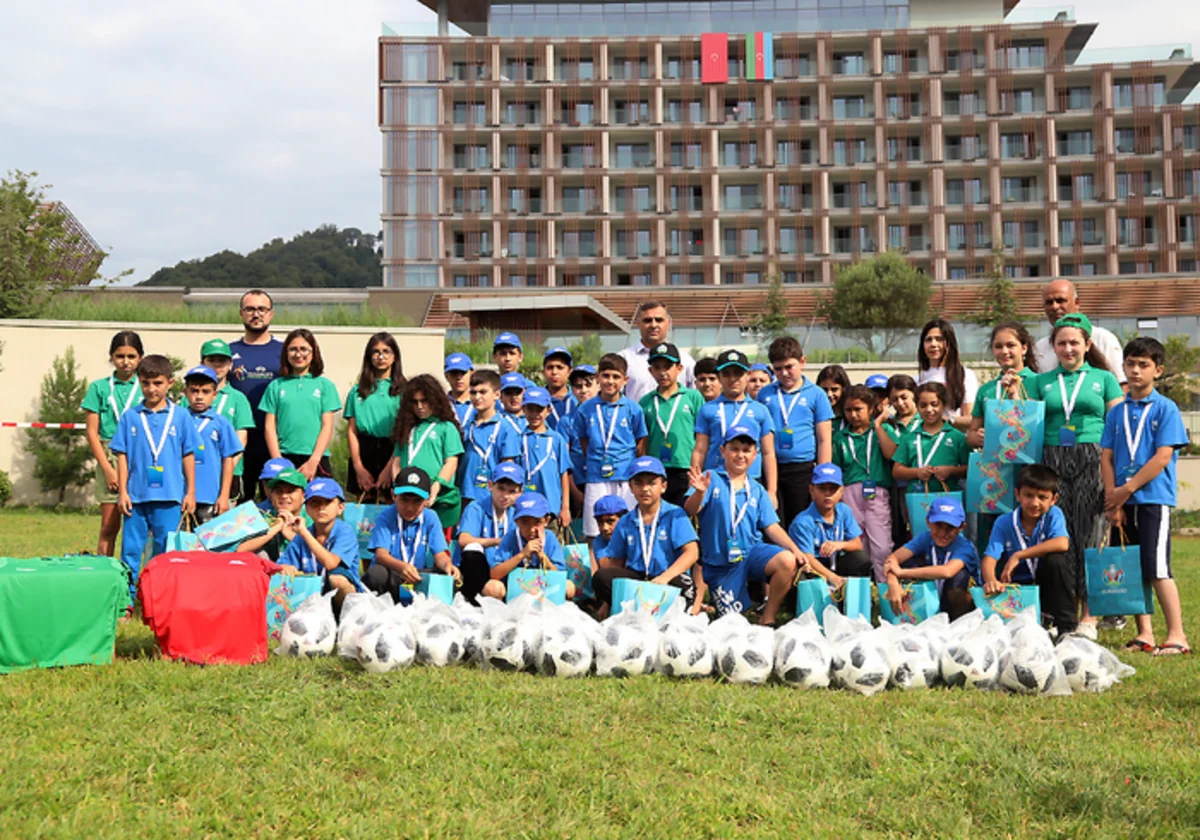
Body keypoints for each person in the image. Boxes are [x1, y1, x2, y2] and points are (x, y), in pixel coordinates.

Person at [1029, 313, 1123, 638]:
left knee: (1092, 533)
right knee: (1059, 535)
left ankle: (1089, 615)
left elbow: (1118, 423)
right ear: (1052, 347)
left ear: (1087, 344)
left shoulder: (1104, 378)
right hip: (1051, 459)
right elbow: (1019, 420)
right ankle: (1063, 613)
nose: (1068, 349)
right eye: (1061, 343)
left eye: (1074, 342)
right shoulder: (1040, 381)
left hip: (1092, 456)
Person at [1100, 337, 1191, 655]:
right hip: (1122, 500)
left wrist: (1128, 488)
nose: (1136, 370)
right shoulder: (1116, 412)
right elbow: (1106, 457)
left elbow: (1163, 457)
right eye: (1130, 364)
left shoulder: (1166, 408)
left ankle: (1177, 635)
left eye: (1144, 365)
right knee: (1132, 566)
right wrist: (1114, 498)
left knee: (1157, 567)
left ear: (1158, 370)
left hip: (1153, 498)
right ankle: (1145, 633)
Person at [684, 421, 802, 625]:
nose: (740, 455)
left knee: (787, 561)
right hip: (720, 563)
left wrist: (794, 549)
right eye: (735, 449)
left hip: (751, 553)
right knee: (733, 624)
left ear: (755, 454)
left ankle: (768, 618)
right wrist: (699, 492)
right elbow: (690, 510)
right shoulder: (711, 479)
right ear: (722, 451)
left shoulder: (756, 489)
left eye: (747, 450)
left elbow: (772, 527)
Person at [110, 355, 199, 603]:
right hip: (136, 497)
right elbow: (123, 456)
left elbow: (188, 455)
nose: (152, 389)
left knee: (165, 550)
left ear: (170, 383)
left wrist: (190, 491)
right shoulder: (131, 416)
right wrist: (123, 492)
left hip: (170, 496)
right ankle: (127, 601)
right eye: (146, 383)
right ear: (139, 382)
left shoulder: (181, 417)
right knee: (130, 550)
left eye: (158, 383)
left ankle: (159, 599)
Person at [591, 456, 699, 617]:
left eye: (651, 482)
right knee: (602, 577)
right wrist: (608, 602)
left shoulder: (675, 514)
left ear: (663, 486)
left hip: (668, 579)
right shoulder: (626, 521)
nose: (645, 488)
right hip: (639, 581)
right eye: (639, 483)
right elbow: (617, 563)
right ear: (631, 488)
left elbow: (692, 552)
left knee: (682, 584)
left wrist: (665, 577)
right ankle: (631, 609)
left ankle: (669, 610)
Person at [980, 464, 1075, 635]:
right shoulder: (1004, 522)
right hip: (1018, 588)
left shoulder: (1054, 514)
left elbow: (1062, 543)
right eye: (1028, 495)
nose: (1035, 503)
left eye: (1042, 497)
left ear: (1053, 499)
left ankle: (1066, 628)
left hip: (1046, 585)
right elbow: (989, 558)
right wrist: (990, 580)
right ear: (1017, 494)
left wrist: (1019, 555)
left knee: (1057, 561)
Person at [757, 336, 834, 525]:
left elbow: (824, 439)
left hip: (803, 469)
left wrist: (822, 478)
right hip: (771, 468)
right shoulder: (765, 394)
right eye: (778, 369)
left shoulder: (816, 394)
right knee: (775, 522)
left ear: (802, 362)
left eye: (789, 367)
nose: (784, 373)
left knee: (801, 522)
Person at [82, 330, 144, 556]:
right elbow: (91, 432)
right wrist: (108, 469)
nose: (126, 362)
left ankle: (139, 577)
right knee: (110, 525)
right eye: (120, 356)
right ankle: (104, 573)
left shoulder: (147, 386)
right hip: (111, 455)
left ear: (140, 358)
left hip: (142, 455)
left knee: (141, 524)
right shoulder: (99, 388)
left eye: (131, 356)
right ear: (111, 357)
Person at [692, 350, 778, 508]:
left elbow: (768, 452)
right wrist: (694, 485)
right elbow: (700, 450)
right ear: (719, 377)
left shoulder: (760, 410)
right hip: (715, 478)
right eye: (726, 374)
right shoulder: (708, 409)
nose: (733, 379)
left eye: (738, 373)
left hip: (750, 478)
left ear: (747, 375)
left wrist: (772, 491)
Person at [575, 354, 647, 542]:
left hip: (625, 475)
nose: (610, 381)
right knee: (594, 530)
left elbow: (640, 442)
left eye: (616, 377)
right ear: (597, 377)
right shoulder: (586, 409)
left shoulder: (633, 408)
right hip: (596, 475)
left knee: (629, 529)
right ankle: (597, 570)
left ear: (625, 380)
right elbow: (584, 441)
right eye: (606, 376)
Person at [365, 467, 459, 603]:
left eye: (417, 501)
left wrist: (447, 565)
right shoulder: (385, 517)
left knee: (451, 577)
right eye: (404, 500)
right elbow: (381, 555)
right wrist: (402, 567)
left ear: (427, 500)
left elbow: (440, 554)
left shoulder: (431, 517)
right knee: (376, 574)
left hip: (418, 577)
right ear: (393, 495)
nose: (410, 507)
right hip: (394, 574)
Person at [260, 328, 341, 480]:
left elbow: (327, 426)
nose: (298, 354)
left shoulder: (325, 385)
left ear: (313, 353)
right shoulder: (276, 386)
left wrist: (314, 461)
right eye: (293, 349)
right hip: (285, 456)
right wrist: (278, 461)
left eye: (304, 349)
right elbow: (269, 427)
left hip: (316, 458)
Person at [833, 385, 894, 580]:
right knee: (858, 542)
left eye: (858, 409)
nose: (853, 414)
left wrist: (878, 426)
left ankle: (884, 587)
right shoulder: (840, 437)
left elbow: (891, 454)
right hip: (849, 492)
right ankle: (864, 591)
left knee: (881, 544)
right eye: (848, 410)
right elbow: (836, 468)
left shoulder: (882, 431)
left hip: (876, 491)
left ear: (871, 409)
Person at [882, 496, 978, 620]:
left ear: (961, 528)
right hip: (932, 599)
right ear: (928, 522)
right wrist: (892, 582)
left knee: (959, 577)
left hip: (957, 604)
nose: (943, 533)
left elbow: (947, 571)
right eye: (938, 525)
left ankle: (957, 623)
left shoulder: (965, 546)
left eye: (950, 527)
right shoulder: (925, 538)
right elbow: (892, 560)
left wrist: (901, 573)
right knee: (909, 562)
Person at [228, 289, 284, 497]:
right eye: (250, 309)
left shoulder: (285, 351)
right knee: (242, 504)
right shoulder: (227, 352)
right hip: (239, 439)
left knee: (276, 501)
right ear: (241, 313)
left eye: (262, 309)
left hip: (276, 440)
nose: (256, 314)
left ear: (271, 313)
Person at [389, 374, 464, 530]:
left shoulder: (446, 427)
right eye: (415, 402)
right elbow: (397, 460)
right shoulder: (406, 427)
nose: (420, 407)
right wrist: (397, 486)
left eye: (424, 401)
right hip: (409, 493)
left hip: (439, 496)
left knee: (438, 543)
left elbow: (451, 461)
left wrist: (437, 486)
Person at [277, 479, 364, 605]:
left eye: (327, 502)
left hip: (342, 597)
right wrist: (285, 567)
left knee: (337, 579)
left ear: (340, 508)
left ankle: (343, 617)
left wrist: (304, 533)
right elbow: (282, 564)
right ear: (306, 509)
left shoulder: (344, 531)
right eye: (314, 503)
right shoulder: (302, 535)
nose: (321, 508)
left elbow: (330, 563)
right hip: (309, 597)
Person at [638, 342, 705, 506]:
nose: (663, 372)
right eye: (657, 367)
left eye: (668, 367)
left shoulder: (693, 397)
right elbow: (642, 440)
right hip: (655, 469)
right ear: (650, 371)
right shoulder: (645, 402)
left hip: (685, 467)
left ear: (679, 368)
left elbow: (702, 437)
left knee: (683, 515)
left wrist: (697, 469)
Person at [786, 463, 875, 584]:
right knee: (803, 575)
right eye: (822, 488)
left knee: (861, 558)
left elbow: (857, 544)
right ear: (811, 490)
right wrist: (832, 578)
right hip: (811, 568)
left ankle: (855, 599)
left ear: (841, 491)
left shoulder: (844, 510)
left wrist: (839, 545)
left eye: (833, 488)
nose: (828, 493)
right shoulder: (803, 522)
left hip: (835, 563)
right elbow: (808, 558)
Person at [483, 492, 577, 600]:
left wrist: (542, 557)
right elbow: (494, 574)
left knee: (569, 586)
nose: (532, 529)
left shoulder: (550, 538)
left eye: (537, 522)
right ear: (516, 522)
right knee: (492, 587)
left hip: (546, 592)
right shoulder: (510, 537)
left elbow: (559, 576)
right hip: (514, 593)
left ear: (546, 520)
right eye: (525, 522)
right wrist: (522, 555)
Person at [345, 332, 405, 498]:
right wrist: (358, 467)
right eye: (376, 352)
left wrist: (390, 468)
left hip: (394, 452)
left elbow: (405, 431)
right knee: (364, 509)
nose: (381, 356)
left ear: (394, 357)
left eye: (386, 351)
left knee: (393, 503)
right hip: (364, 452)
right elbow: (352, 431)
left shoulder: (404, 391)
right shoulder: (357, 392)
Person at [181, 365, 243, 523]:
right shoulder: (178, 419)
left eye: (205, 392)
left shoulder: (221, 423)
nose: (199, 397)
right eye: (194, 391)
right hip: (180, 493)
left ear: (215, 394)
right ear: (185, 392)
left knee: (208, 544)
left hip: (210, 494)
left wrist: (224, 496)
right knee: (180, 543)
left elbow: (228, 460)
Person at [456, 462, 524, 604]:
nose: (505, 496)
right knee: (473, 548)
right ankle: (476, 595)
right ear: (490, 485)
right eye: (501, 489)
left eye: (512, 491)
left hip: (505, 572)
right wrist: (496, 541)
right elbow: (464, 540)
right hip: (477, 573)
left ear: (520, 493)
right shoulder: (476, 507)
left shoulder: (519, 514)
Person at [966, 322, 1039, 451]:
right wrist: (977, 437)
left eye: (1010, 345)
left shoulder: (1039, 382)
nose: (1004, 351)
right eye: (998, 346)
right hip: (996, 464)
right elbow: (972, 433)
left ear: (1024, 348)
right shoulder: (986, 390)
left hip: (1031, 460)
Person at [1034, 280, 1124, 381]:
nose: (1054, 307)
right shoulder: (1040, 347)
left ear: (1077, 303)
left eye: (1060, 301)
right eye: (1049, 302)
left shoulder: (1103, 338)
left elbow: (1121, 384)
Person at [199, 339, 255, 502]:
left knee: (224, 521)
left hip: (230, 471)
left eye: (222, 361)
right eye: (211, 360)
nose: (217, 366)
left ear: (230, 365)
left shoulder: (238, 398)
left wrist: (226, 466)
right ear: (202, 362)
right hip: (197, 470)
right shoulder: (190, 397)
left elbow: (241, 438)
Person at [892, 383, 970, 496]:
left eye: (934, 404)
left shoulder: (957, 437)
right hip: (918, 499)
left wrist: (951, 471)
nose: (929, 410)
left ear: (944, 405)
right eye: (923, 405)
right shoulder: (909, 438)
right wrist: (917, 472)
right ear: (917, 406)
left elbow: (969, 469)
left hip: (949, 499)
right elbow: (897, 471)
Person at [458, 370, 520, 507]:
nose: (477, 397)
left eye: (483, 392)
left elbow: (508, 465)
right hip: (465, 494)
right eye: (473, 392)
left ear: (497, 394)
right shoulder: (467, 425)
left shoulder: (506, 427)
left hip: (491, 496)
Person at [515, 386, 572, 525]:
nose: (534, 414)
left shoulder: (557, 439)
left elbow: (564, 474)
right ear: (523, 410)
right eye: (530, 409)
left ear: (549, 411)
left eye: (539, 409)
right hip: (525, 506)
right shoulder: (518, 438)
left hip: (552, 507)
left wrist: (565, 507)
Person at [619, 301, 697, 401]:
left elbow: (695, 397)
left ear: (668, 323)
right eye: (647, 320)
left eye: (659, 320)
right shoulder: (624, 359)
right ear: (638, 324)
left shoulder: (685, 360)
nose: (653, 325)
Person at [879, 374, 921, 549]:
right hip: (897, 484)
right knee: (901, 527)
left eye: (904, 397)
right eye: (895, 399)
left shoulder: (925, 421)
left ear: (914, 395)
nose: (900, 403)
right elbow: (891, 454)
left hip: (922, 483)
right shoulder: (889, 426)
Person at [917, 318, 977, 431]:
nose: (933, 344)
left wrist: (947, 420)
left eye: (939, 339)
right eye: (928, 340)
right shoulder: (918, 380)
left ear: (949, 343)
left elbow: (971, 419)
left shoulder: (965, 375)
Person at [237, 466, 308, 561]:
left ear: (303, 496)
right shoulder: (265, 515)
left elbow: (318, 551)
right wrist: (276, 528)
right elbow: (240, 549)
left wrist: (289, 534)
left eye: (291, 491)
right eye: (279, 491)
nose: (284, 496)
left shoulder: (311, 516)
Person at [565, 364, 598, 520]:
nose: (583, 390)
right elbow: (563, 461)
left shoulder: (606, 414)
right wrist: (574, 492)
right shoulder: (566, 421)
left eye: (588, 384)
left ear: (598, 384)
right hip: (577, 483)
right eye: (578, 386)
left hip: (602, 478)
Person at [589, 494, 628, 569]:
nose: (605, 528)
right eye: (600, 522)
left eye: (610, 521)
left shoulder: (634, 536)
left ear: (624, 519)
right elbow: (608, 569)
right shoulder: (599, 541)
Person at [542, 346, 575, 432]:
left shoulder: (578, 398)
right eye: (550, 367)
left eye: (560, 367)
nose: (554, 372)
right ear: (543, 372)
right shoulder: (538, 399)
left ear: (570, 371)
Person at [816, 365, 851, 433]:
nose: (829, 394)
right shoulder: (813, 415)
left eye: (834, 389)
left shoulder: (851, 417)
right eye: (824, 389)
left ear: (844, 389)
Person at [445, 353, 475, 427]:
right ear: (446, 376)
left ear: (472, 373)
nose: (458, 378)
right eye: (453, 373)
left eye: (463, 373)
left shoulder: (481, 402)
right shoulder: (441, 404)